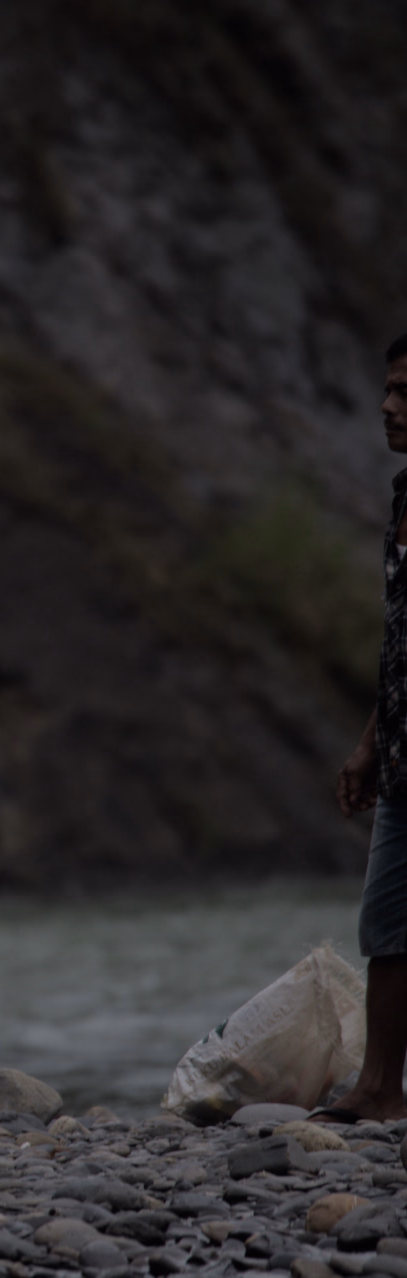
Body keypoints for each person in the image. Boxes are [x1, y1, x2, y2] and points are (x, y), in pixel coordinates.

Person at [328, 333, 407, 1125]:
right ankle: (381, 1089)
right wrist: (367, 744)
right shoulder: (402, 498)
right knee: (386, 921)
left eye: (406, 393)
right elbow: (401, 642)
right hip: (402, 754)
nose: (387, 406)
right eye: (389, 390)